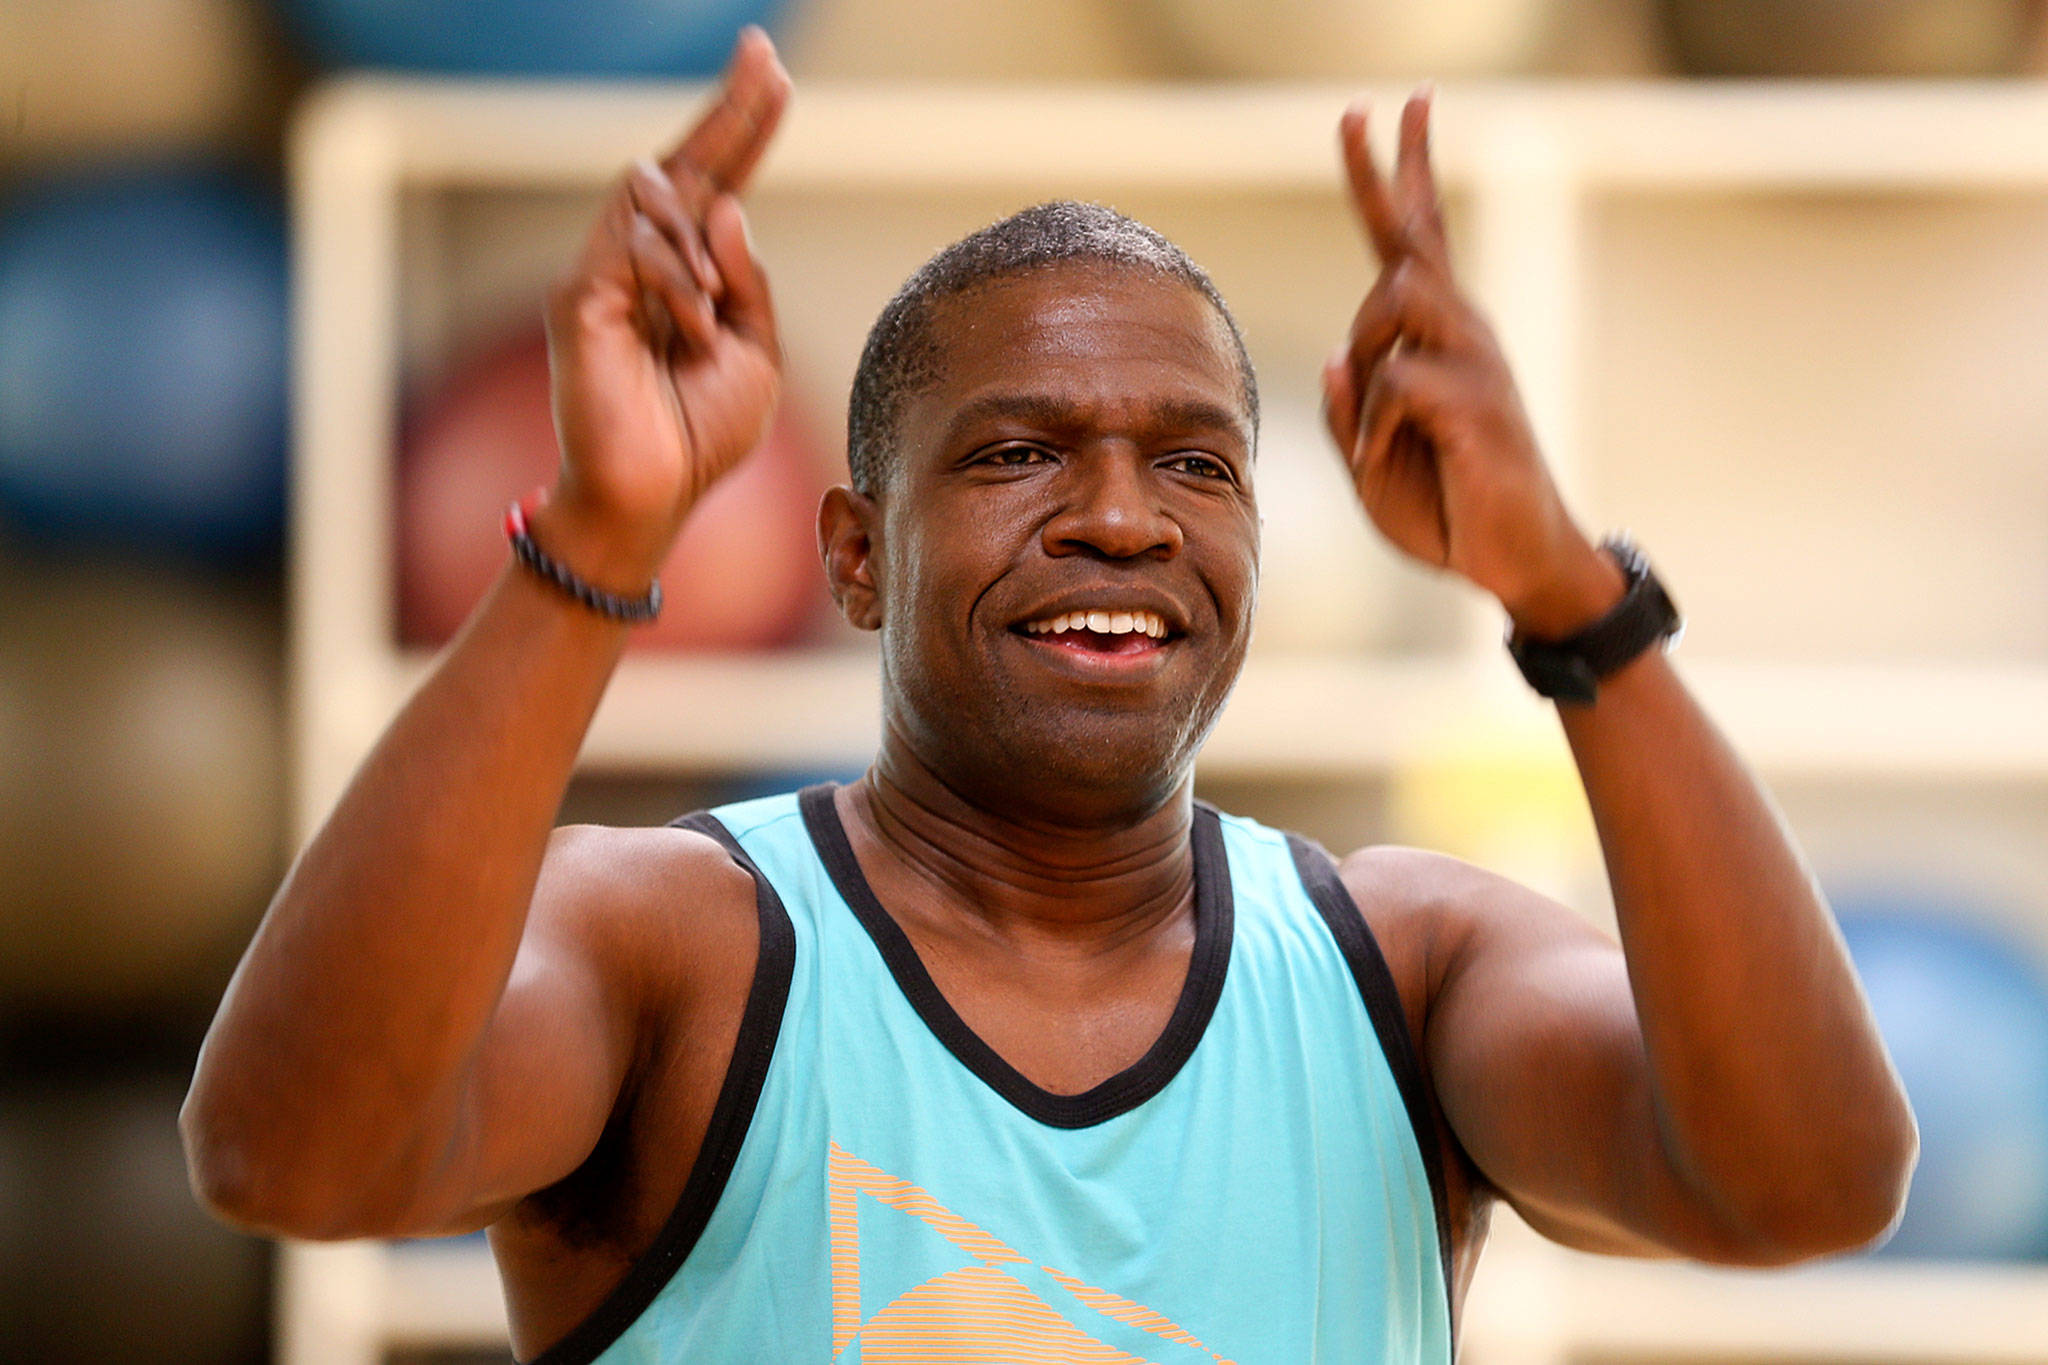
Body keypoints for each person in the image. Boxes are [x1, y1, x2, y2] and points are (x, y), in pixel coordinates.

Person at [182, 28, 1916, 1364]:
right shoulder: (676, 950)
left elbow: (1809, 1181)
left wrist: (1572, 596)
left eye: (1195, 464)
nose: (1117, 515)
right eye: (1018, 452)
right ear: (856, 559)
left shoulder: (1408, 970)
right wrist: (602, 530)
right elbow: (293, 1159)